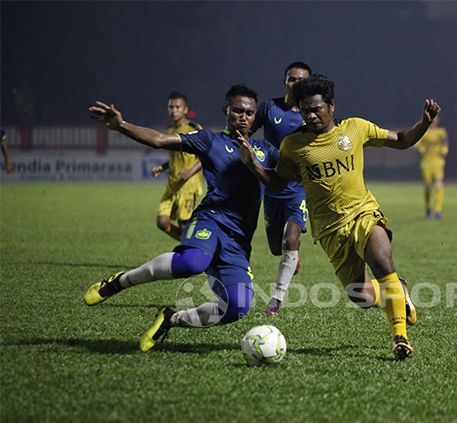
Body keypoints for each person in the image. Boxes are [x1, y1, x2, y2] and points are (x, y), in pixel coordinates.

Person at [239, 74, 439, 360]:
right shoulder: (293, 146)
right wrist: (252, 164)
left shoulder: (356, 128)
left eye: (316, 108)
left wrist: (423, 123)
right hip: (330, 230)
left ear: (331, 106)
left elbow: (401, 139)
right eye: (305, 110)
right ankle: (397, 294)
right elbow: (277, 183)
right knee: (362, 297)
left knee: (383, 262)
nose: (310, 115)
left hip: (363, 213)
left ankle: (400, 338)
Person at [84, 85, 276, 352]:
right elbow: (160, 140)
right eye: (238, 111)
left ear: (256, 117)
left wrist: (252, 163)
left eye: (250, 113)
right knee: (192, 262)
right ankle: (120, 281)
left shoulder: (266, 151)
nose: (243, 117)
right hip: (211, 219)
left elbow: (283, 182)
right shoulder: (211, 141)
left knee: (237, 307)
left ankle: (170, 319)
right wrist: (121, 125)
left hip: (239, 240)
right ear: (226, 111)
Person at [249, 62, 312, 316]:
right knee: (277, 249)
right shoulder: (269, 107)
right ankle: (292, 255)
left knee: (290, 238)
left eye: (300, 80)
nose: (295, 83)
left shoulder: (311, 114)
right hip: (271, 185)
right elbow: (247, 133)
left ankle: (276, 299)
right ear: (284, 81)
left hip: (298, 187)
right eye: (291, 79)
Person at [150, 92, 204, 241]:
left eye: (177, 107)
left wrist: (190, 171)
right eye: (170, 107)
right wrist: (163, 167)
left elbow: (205, 156)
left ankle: (188, 250)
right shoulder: (169, 131)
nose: (173, 110)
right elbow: (176, 157)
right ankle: (189, 246)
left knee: (183, 224)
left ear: (185, 110)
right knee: (162, 222)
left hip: (188, 185)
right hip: (173, 183)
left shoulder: (194, 129)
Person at [415, 116, 449, 219]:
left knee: (439, 183)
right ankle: (428, 207)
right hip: (426, 161)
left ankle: (438, 210)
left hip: (438, 161)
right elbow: (417, 145)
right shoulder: (424, 132)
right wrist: (422, 150)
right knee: (428, 186)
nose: (434, 121)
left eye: (435, 118)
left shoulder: (441, 132)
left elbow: (445, 143)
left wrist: (444, 150)